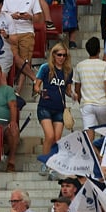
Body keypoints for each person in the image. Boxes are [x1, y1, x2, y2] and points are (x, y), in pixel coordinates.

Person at [35, 43, 76, 175]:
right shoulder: (45, 68)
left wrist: (73, 94)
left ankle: (53, 164)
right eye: (59, 55)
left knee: (57, 137)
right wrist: (41, 92)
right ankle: (45, 162)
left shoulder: (68, 70)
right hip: (45, 106)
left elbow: (67, 90)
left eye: (64, 55)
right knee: (50, 135)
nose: (62, 57)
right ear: (53, 55)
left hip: (59, 108)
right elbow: (36, 86)